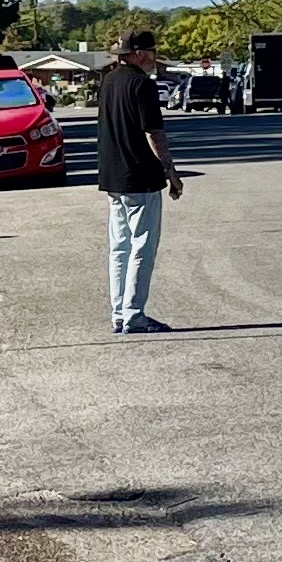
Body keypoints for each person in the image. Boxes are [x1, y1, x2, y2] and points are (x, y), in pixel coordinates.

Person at [95, 28, 184, 334]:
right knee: (142, 247)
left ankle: (119, 313)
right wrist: (171, 172)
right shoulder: (141, 85)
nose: (154, 59)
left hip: (112, 176)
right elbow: (153, 133)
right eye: (152, 53)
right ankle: (134, 315)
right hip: (140, 177)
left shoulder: (107, 82)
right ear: (140, 54)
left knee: (119, 247)